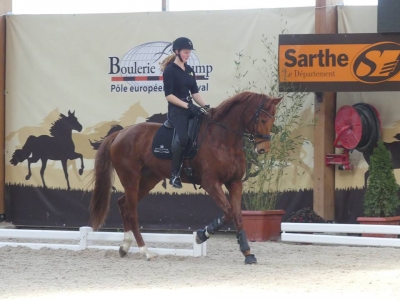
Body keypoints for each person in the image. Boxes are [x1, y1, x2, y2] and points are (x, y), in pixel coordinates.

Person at [160, 37, 209, 189]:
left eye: (189, 52)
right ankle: (175, 174)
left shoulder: (189, 70)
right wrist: (187, 106)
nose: (188, 55)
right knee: (182, 138)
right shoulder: (169, 71)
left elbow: (195, 93)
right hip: (176, 110)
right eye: (186, 52)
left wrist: (206, 106)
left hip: (189, 107)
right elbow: (169, 96)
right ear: (177, 52)